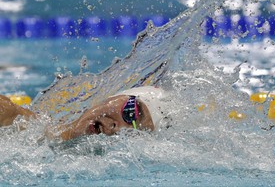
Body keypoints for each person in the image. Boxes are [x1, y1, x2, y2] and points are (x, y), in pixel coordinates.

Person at [0, 86, 167, 141]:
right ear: (114, 97)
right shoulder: (12, 118)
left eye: (134, 132)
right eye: (130, 112)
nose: (119, 128)